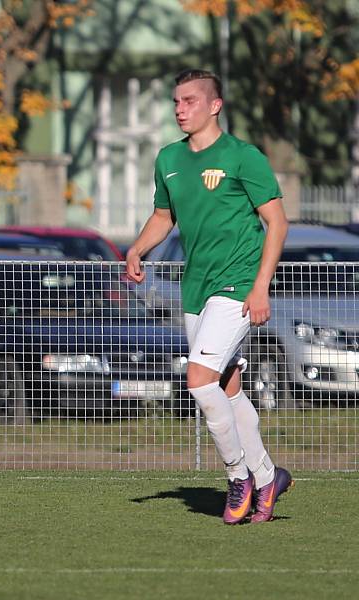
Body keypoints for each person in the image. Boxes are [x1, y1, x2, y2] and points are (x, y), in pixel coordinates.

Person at [125, 69, 293, 524]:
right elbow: (164, 215)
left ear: (214, 105)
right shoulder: (169, 159)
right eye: (177, 102)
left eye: (191, 101)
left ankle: (238, 474)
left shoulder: (244, 157)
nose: (181, 109)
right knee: (227, 388)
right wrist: (139, 248)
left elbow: (277, 223)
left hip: (238, 284)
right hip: (196, 288)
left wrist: (261, 286)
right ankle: (267, 476)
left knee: (199, 379)